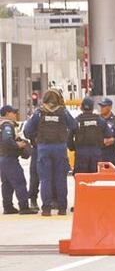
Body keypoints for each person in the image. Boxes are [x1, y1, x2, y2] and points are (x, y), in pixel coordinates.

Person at [23, 88, 77, 216]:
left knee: (45, 179)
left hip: (43, 148)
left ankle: (46, 209)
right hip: (60, 148)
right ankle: (62, 208)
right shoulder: (63, 112)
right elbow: (74, 126)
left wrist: (36, 137)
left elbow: (27, 131)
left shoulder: (39, 113)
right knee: (60, 179)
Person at [0, 105, 36, 215]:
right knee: (19, 181)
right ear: (7, 114)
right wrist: (18, 144)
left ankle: (8, 207)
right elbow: (7, 140)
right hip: (9, 158)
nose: (15, 115)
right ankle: (24, 207)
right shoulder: (7, 125)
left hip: (2, 158)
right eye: (13, 112)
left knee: (7, 184)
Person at [70, 96, 111, 175]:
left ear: (81, 107)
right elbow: (109, 135)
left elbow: (69, 139)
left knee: (81, 180)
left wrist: (74, 148)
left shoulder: (77, 121)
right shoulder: (100, 120)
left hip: (81, 155)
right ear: (93, 108)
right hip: (96, 154)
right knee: (96, 180)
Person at [97, 98, 115, 169]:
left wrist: (114, 140)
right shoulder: (96, 120)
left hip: (111, 154)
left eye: (103, 106)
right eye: (101, 106)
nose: (101, 108)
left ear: (110, 107)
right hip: (98, 154)